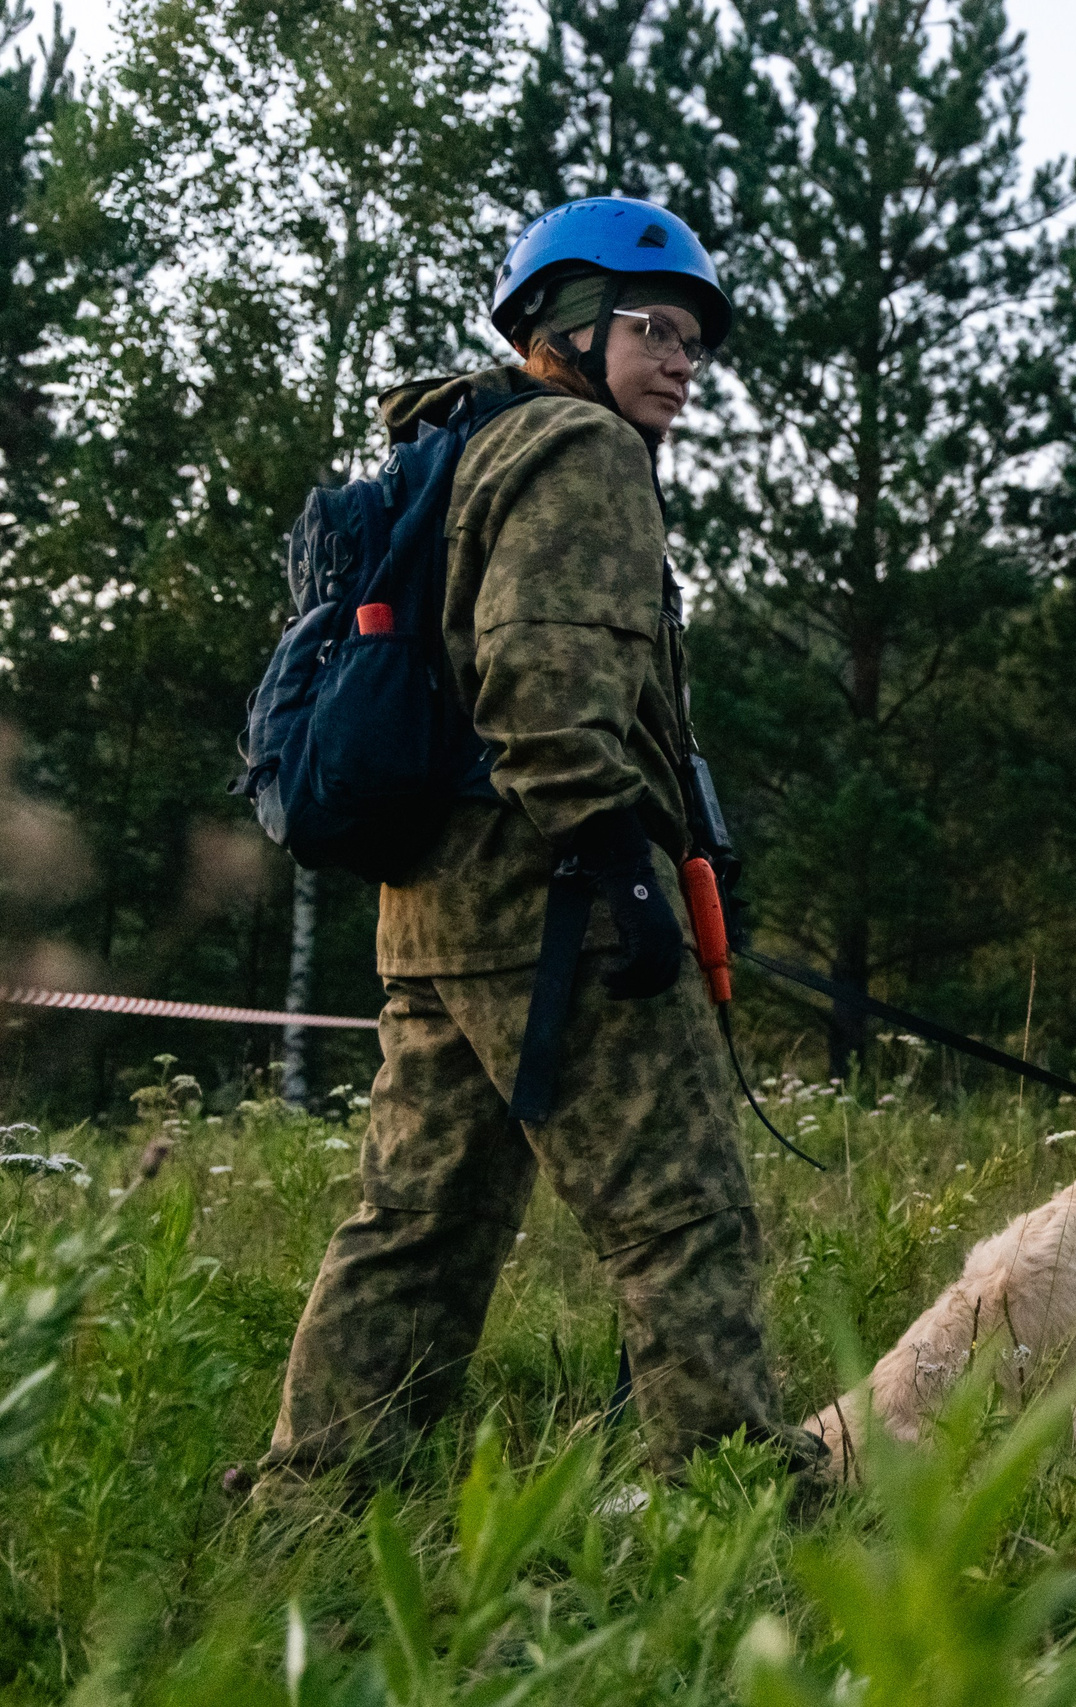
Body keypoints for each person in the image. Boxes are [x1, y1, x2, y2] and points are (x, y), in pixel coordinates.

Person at [254, 197, 824, 1501]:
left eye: (695, 343)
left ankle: (317, 1496)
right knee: (683, 1211)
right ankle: (734, 1497)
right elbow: (543, 687)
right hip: (550, 896)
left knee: (419, 1219)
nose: (683, 363)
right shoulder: (583, 447)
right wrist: (620, 863)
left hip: (431, 908)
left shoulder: (465, 443)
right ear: (566, 324)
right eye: (655, 330)